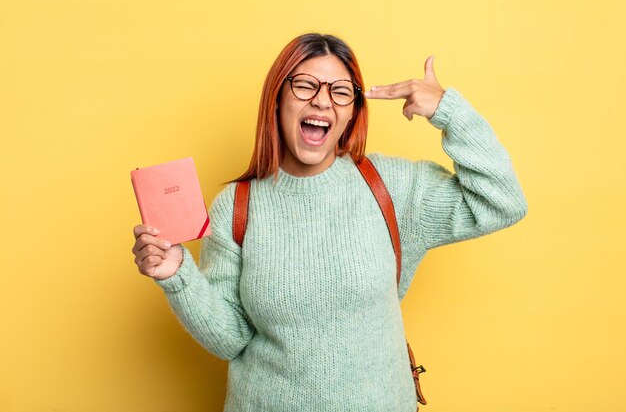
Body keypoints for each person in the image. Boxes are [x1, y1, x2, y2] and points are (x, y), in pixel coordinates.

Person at [131, 33, 527, 412]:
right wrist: (177, 275)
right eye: (305, 85)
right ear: (277, 98)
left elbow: (502, 202)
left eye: (340, 91)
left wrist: (449, 111)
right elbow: (230, 339)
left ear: (353, 110)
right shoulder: (236, 206)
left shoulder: (393, 188)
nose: (322, 102)